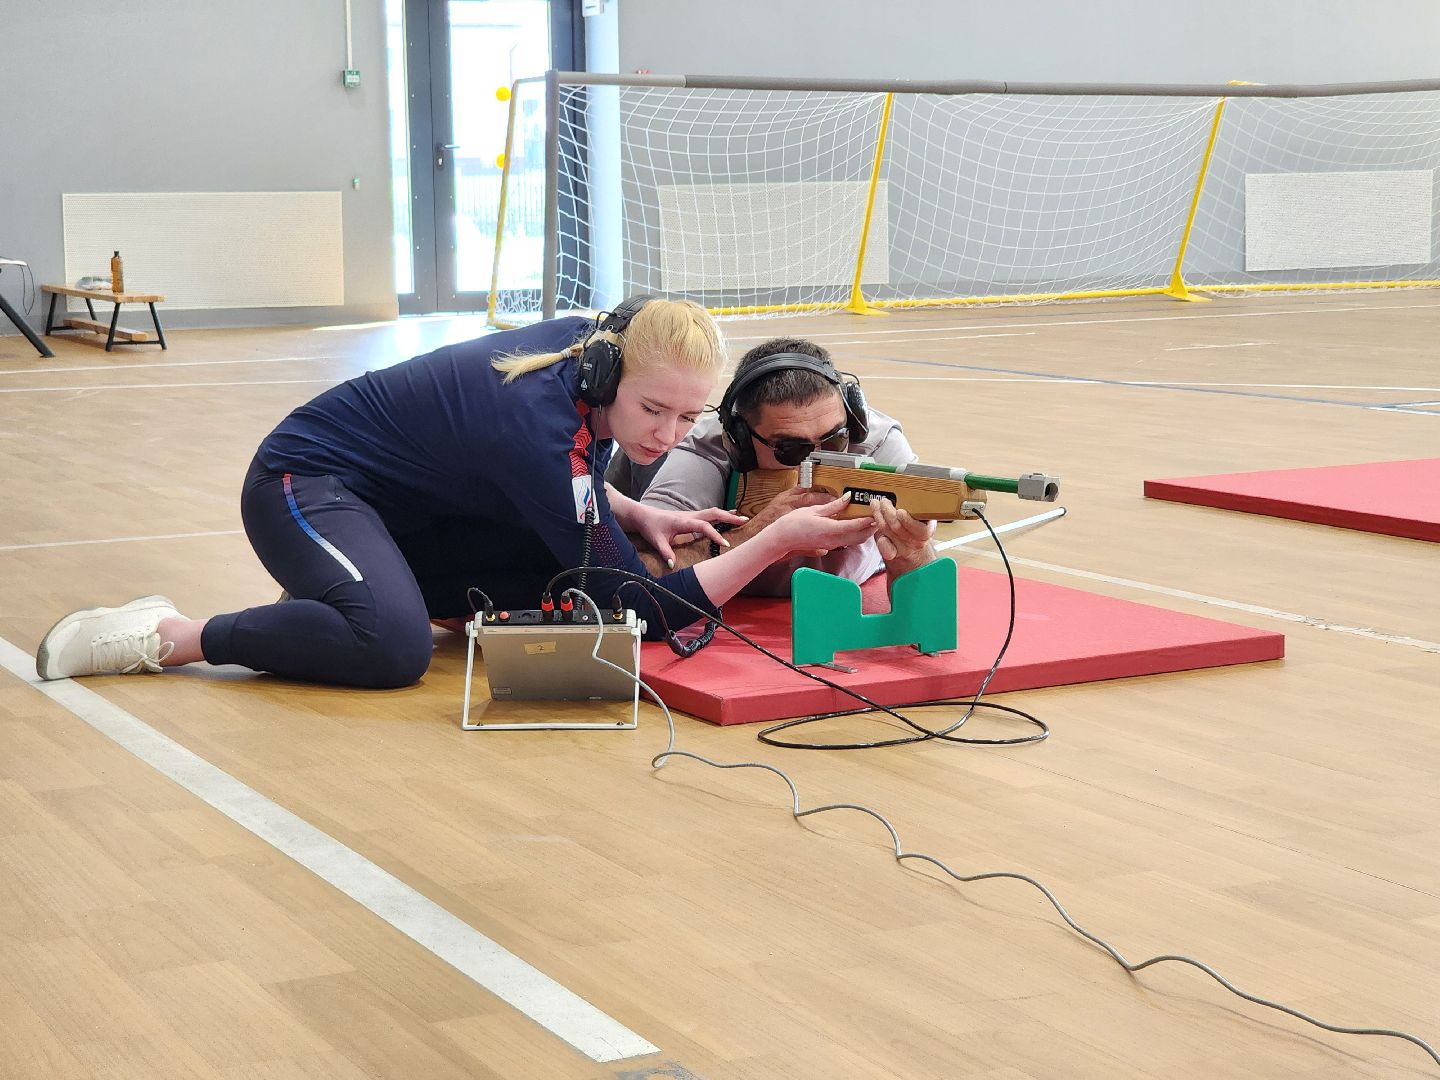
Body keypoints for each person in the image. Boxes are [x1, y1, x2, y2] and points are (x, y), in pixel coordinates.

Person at [36, 299, 878, 687]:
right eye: (652, 410)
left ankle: (354, 592)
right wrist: (773, 540)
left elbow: (558, 482)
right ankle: (172, 634)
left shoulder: (586, 362)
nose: (663, 436)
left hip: (403, 509)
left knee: (564, 580)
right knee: (393, 651)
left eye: (686, 416)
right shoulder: (531, 418)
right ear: (607, 370)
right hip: (303, 483)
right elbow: (642, 607)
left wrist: (629, 505)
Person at [608, 337, 936, 597]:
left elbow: (928, 615)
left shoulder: (876, 445)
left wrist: (912, 552)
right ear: (740, 442)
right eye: (792, 449)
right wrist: (760, 534)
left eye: (834, 440)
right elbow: (632, 575)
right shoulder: (705, 450)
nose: (818, 461)